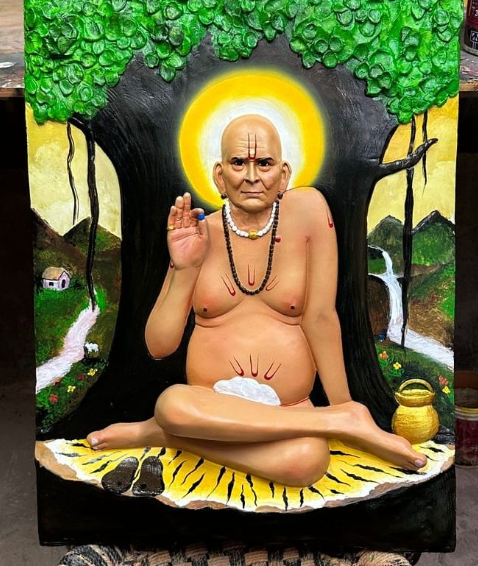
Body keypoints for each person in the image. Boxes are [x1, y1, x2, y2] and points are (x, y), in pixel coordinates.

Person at [87, 114, 426, 487]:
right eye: (238, 163)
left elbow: (320, 318)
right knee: (172, 404)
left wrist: (343, 402)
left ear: (283, 175)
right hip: (207, 405)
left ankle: (165, 433)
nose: (251, 176)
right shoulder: (199, 235)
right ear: (220, 176)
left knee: (307, 462)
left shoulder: (309, 212)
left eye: (264, 163)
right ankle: (335, 423)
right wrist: (186, 268)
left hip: (289, 409)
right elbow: (158, 346)